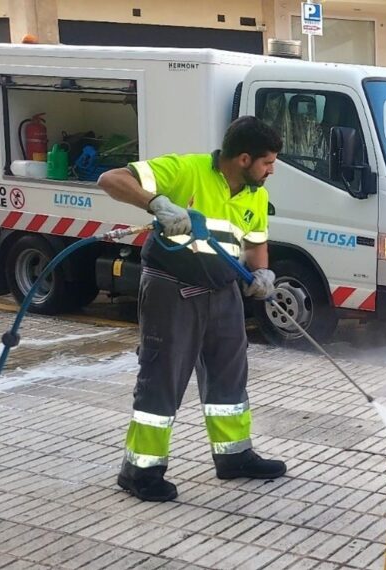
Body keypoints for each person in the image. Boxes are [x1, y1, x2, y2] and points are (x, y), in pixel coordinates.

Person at [97, 116, 286, 502]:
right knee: (163, 374)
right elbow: (110, 179)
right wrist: (157, 203)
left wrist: (262, 272)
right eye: (268, 163)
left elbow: (254, 243)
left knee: (229, 376)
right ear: (245, 159)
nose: (272, 170)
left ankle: (234, 457)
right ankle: (141, 470)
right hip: (173, 288)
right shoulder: (187, 169)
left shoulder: (255, 194)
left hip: (222, 291)